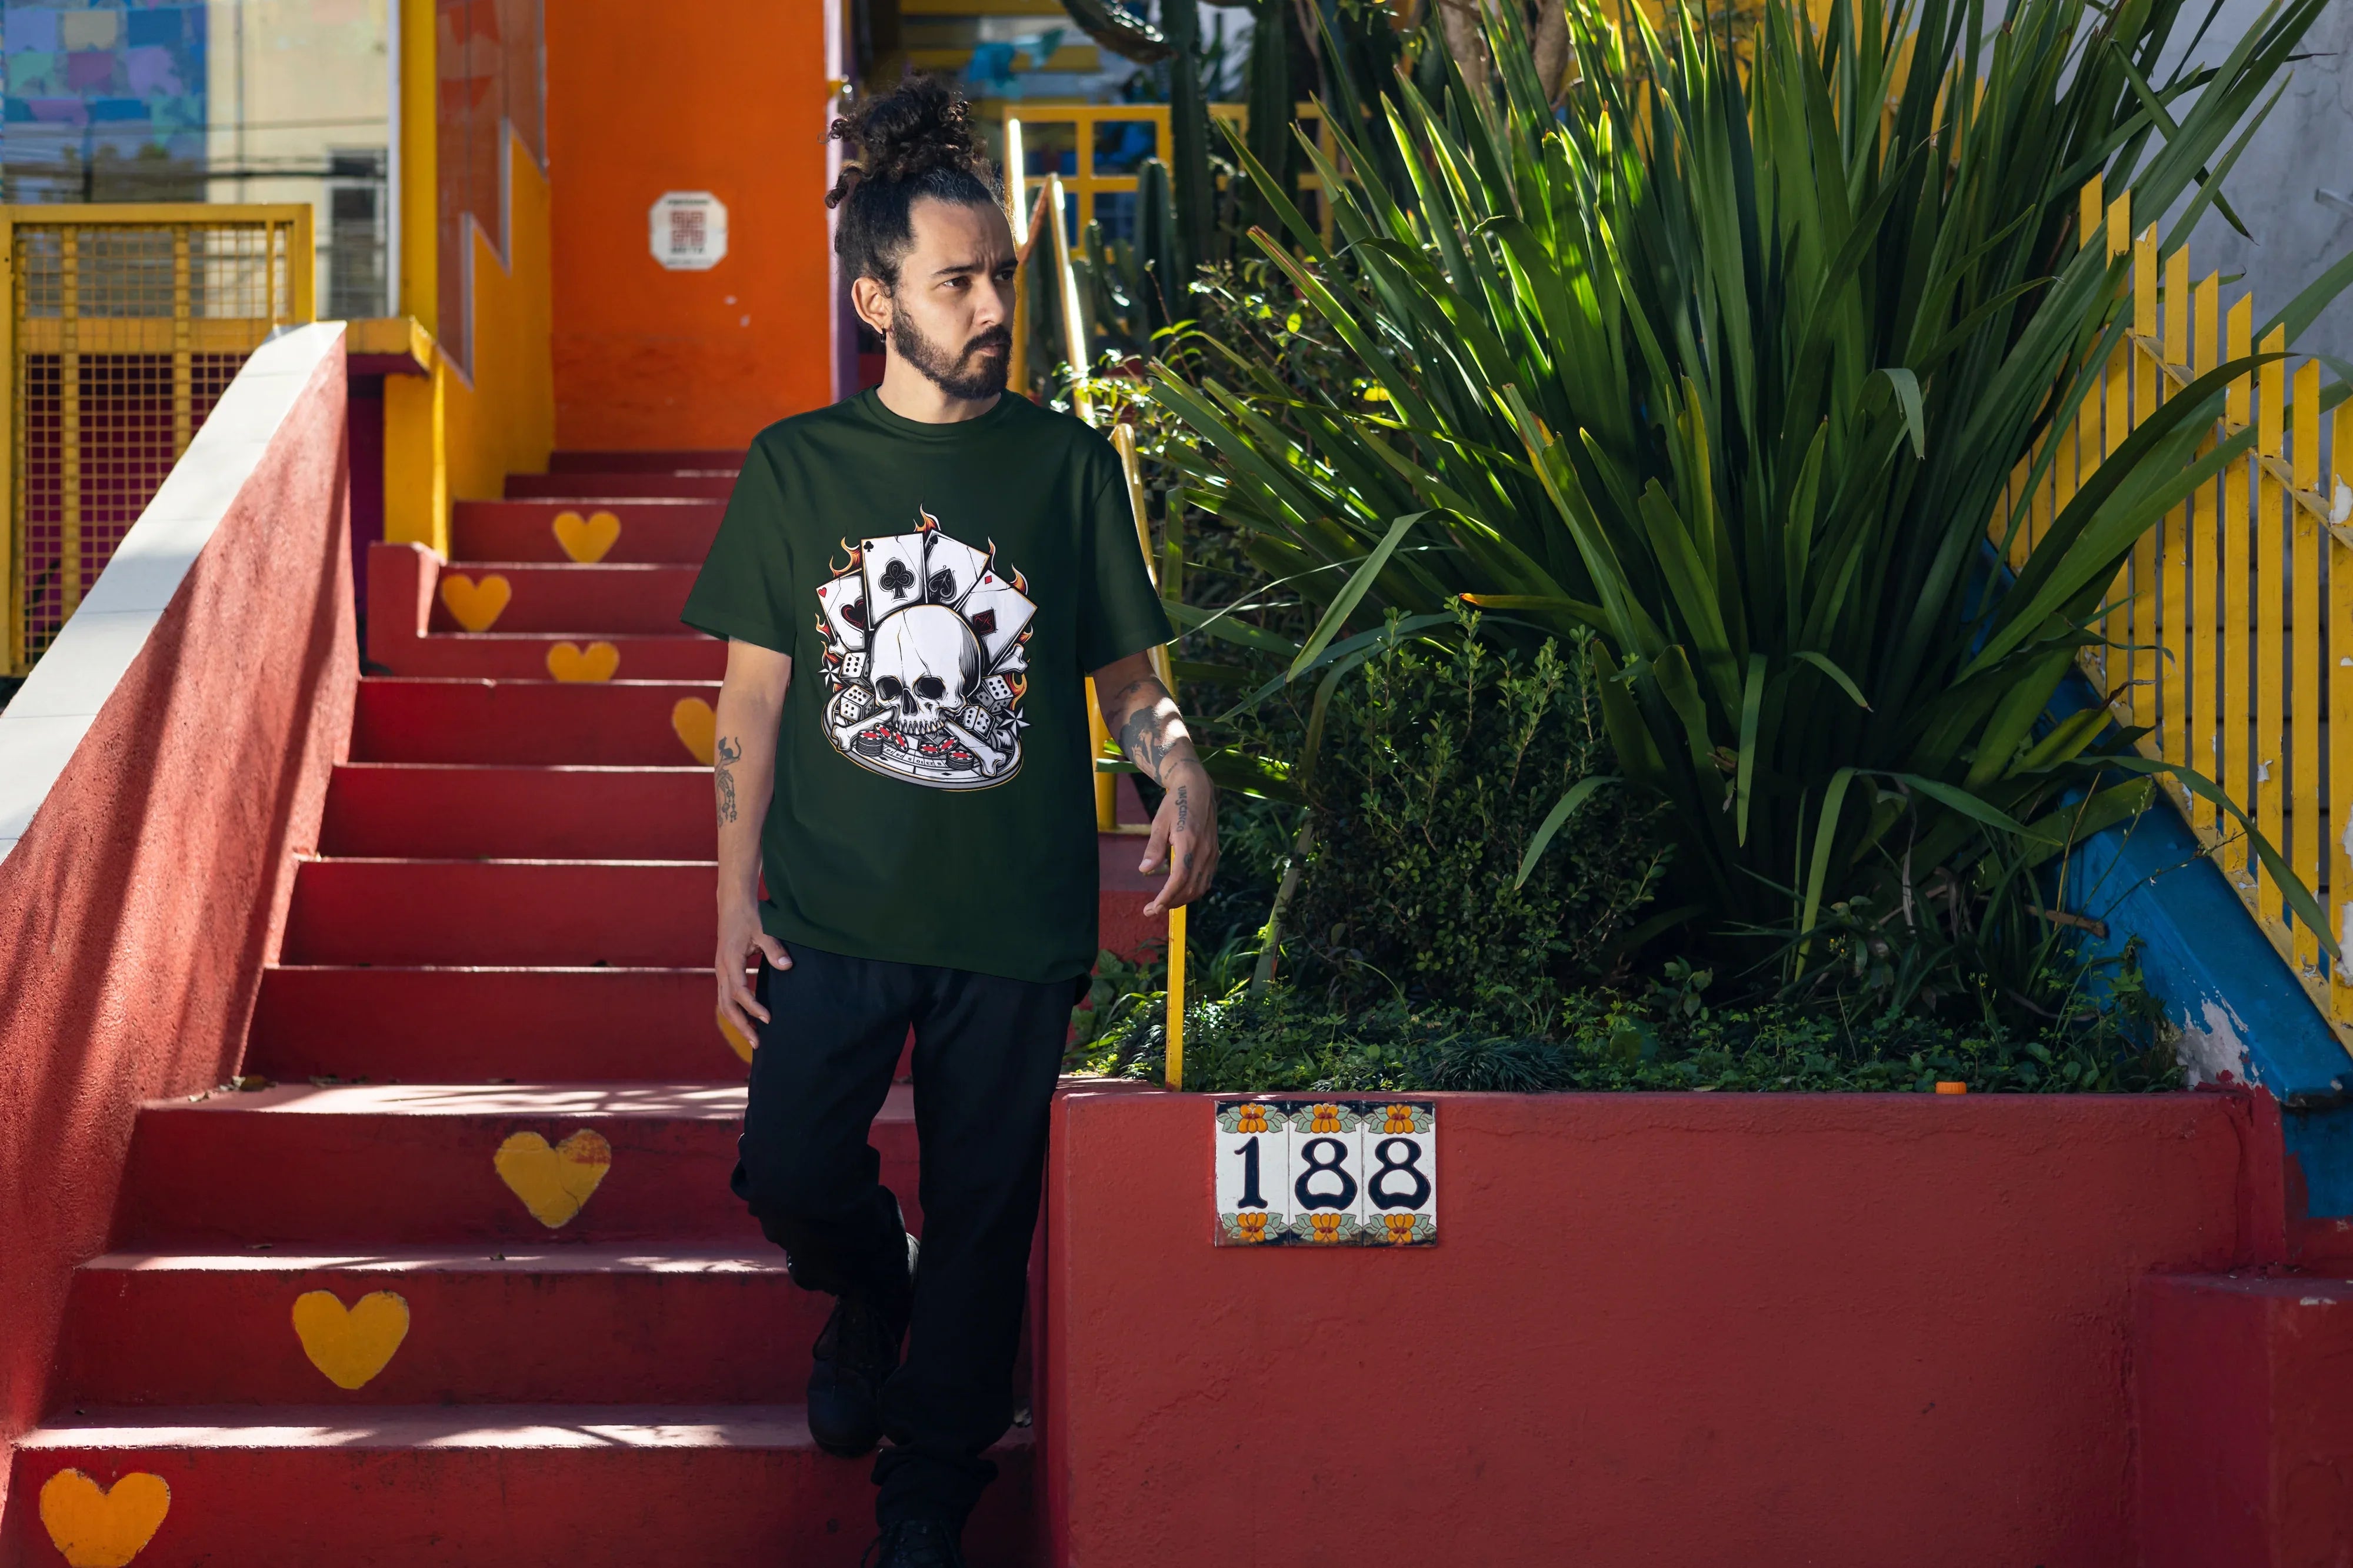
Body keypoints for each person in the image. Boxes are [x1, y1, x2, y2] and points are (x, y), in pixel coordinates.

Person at [678, 74, 1218, 1568]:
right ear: (876, 301)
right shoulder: (798, 468)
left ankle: (927, 1489)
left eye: (1002, 278)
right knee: (791, 1168)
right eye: (957, 283)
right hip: (831, 916)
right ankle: (867, 1284)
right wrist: (729, 906)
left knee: (987, 1219)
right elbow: (751, 704)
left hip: (1010, 922)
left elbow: (1130, 686)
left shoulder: (1067, 468)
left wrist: (1179, 764)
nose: (992, 309)